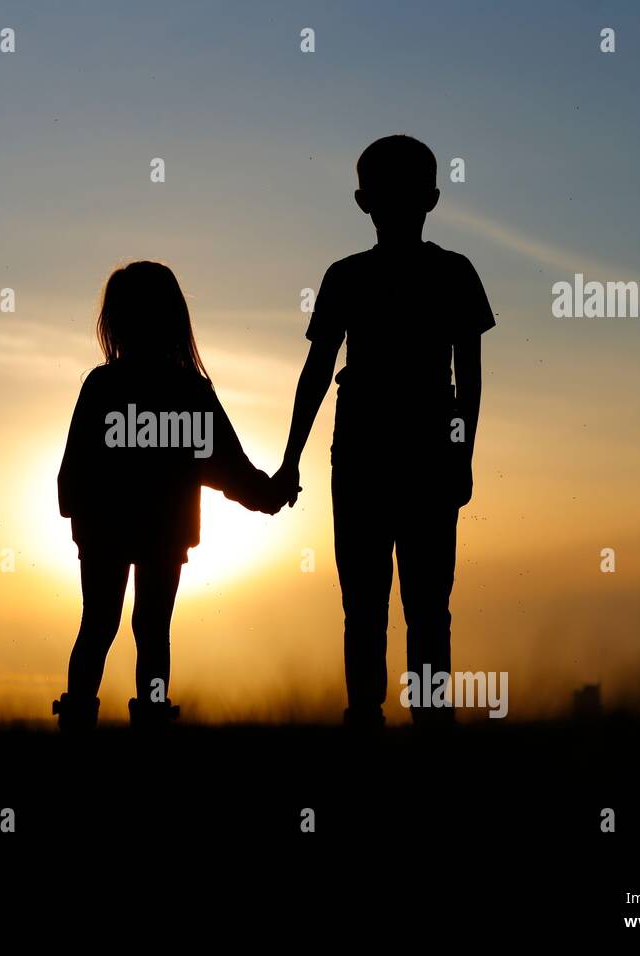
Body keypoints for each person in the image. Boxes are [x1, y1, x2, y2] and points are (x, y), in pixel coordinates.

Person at [273, 135, 496, 729]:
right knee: (416, 606)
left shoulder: (357, 276)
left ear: (361, 201)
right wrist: (461, 453)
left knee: (375, 604)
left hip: (374, 450)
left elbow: (319, 371)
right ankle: (406, 719)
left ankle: (375, 718)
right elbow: (467, 382)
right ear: (433, 199)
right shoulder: (446, 273)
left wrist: (291, 459)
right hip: (398, 450)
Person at [55, 261, 286, 731]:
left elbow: (73, 470)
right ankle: (152, 722)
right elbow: (226, 465)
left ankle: (78, 719)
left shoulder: (103, 386)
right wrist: (266, 493)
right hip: (160, 527)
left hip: (106, 527)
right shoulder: (188, 390)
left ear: (115, 322)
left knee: (98, 624)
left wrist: (77, 508)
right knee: (151, 629)